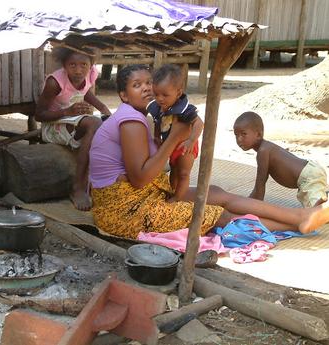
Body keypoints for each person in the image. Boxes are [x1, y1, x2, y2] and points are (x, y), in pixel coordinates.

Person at [88, 64, 329, 240]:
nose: (147, 89)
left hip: (141, 195)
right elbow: (140, 179)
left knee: (214, 192)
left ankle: (300, 216)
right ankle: (297, 223)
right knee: (218, 214)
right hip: (125, 210)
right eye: (136, 85)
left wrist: (181, 140)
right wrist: (175, 139)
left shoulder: (143, 116)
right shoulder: (130, 121)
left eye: (149, 83)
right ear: (123, 94)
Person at [35, 47, 112, 211]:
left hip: (74, 122)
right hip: (53, 126)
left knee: (107, 126)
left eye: (84, 65)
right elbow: (39, 115)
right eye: (72, 65)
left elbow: (86, 92)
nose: (78, 70)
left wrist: (104, 108)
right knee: (95, 124)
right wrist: (66, 112)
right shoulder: (55, 82)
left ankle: (98, 184)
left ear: (91, 65)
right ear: (64, 65)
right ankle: (78, 187)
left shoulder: (90, 74)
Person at [234, 111, 328, 207]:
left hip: (308, 177)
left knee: (318, 211)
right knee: (315, 210)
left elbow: (259, 190)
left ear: (258, 134)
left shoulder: (263, 151)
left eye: (243, 134)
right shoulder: (266, 149)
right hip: (310, 173)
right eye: (236, 135)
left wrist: (244, 206)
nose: (239, 139)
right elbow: (259, 188)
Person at [147, 64, 204, 201]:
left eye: (165, 95)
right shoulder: (158, 107)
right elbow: (157, 122)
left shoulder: (184, 109)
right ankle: (172, 191)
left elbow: (199, 123)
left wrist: (191, 140)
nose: (160, 99)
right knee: (173, 171)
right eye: (156, 94)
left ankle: (178, 198)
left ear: (178, 93)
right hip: (170, 146)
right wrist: (156, 136)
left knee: (183, 173)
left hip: (186, 147)